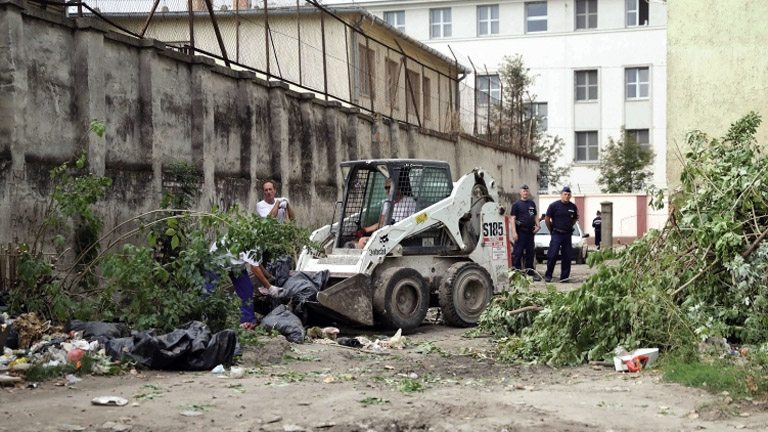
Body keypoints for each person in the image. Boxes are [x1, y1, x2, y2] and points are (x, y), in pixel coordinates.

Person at [208, 240, 282, 330]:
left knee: (246, 289)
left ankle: (248, 321)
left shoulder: (259, 242)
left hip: (236, 265)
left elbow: (257, 263)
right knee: (210, 292)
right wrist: (270, 288)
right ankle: (210, 322)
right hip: (217, 260)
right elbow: (254, 268)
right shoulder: (252, 241)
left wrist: (270, 277)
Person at [356, 178, 416, 248]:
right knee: (355, 241)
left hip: (402, 235)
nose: (387, 190)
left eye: (389, 187)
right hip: (387, 234)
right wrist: (364, 230)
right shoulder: (386, 203)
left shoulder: (409, 201)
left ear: (398, 188)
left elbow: (412, 223)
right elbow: (381, 223)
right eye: (386, 188)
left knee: (362, 242)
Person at [544, 186, 579, 283]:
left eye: (569, 195)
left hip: (567, 235)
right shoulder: (554, 206)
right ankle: (548, 275)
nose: (567, 196)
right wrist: (551, 229)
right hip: (556, 233)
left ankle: (564, 277)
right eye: (565, 194)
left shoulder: (573, 207)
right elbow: (547, 218)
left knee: (567, 256)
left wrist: (568, 226)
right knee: (552, 255)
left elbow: (575, 219)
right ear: (561, 195)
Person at [510, 184, 541, 281]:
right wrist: (514, 232)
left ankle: (530, 274)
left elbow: (535, 215)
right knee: (518, 253)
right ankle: (517, 274)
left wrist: (538, 225)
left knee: (530, 253)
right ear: (520, 192)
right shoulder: (516, 204)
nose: (525, 192)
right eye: (523, 191)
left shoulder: (531, 204)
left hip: (530, 233)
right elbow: (513, 219)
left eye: (527, 191)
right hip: (520, 232)